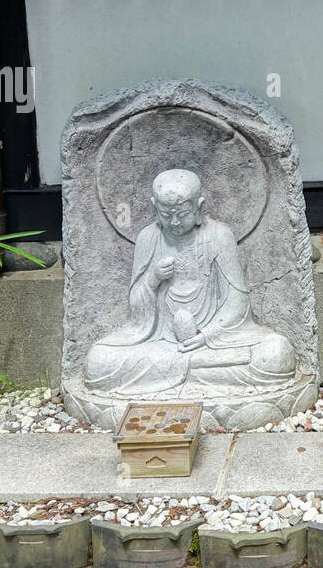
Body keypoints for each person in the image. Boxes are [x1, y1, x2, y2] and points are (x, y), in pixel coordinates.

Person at [83, 168, 297, 397]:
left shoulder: (219, 236)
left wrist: (206, 336)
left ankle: (180, 377)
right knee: (99, 360)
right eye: (166, 214)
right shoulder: (149, 238)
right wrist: (152, 280)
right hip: (161, 342)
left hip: (214, 341)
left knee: (275, 353)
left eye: (182, 214)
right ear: (155, 207)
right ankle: (196, 380)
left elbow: (237, 301)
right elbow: (136, 311)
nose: (174, 222)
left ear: (199, 207)